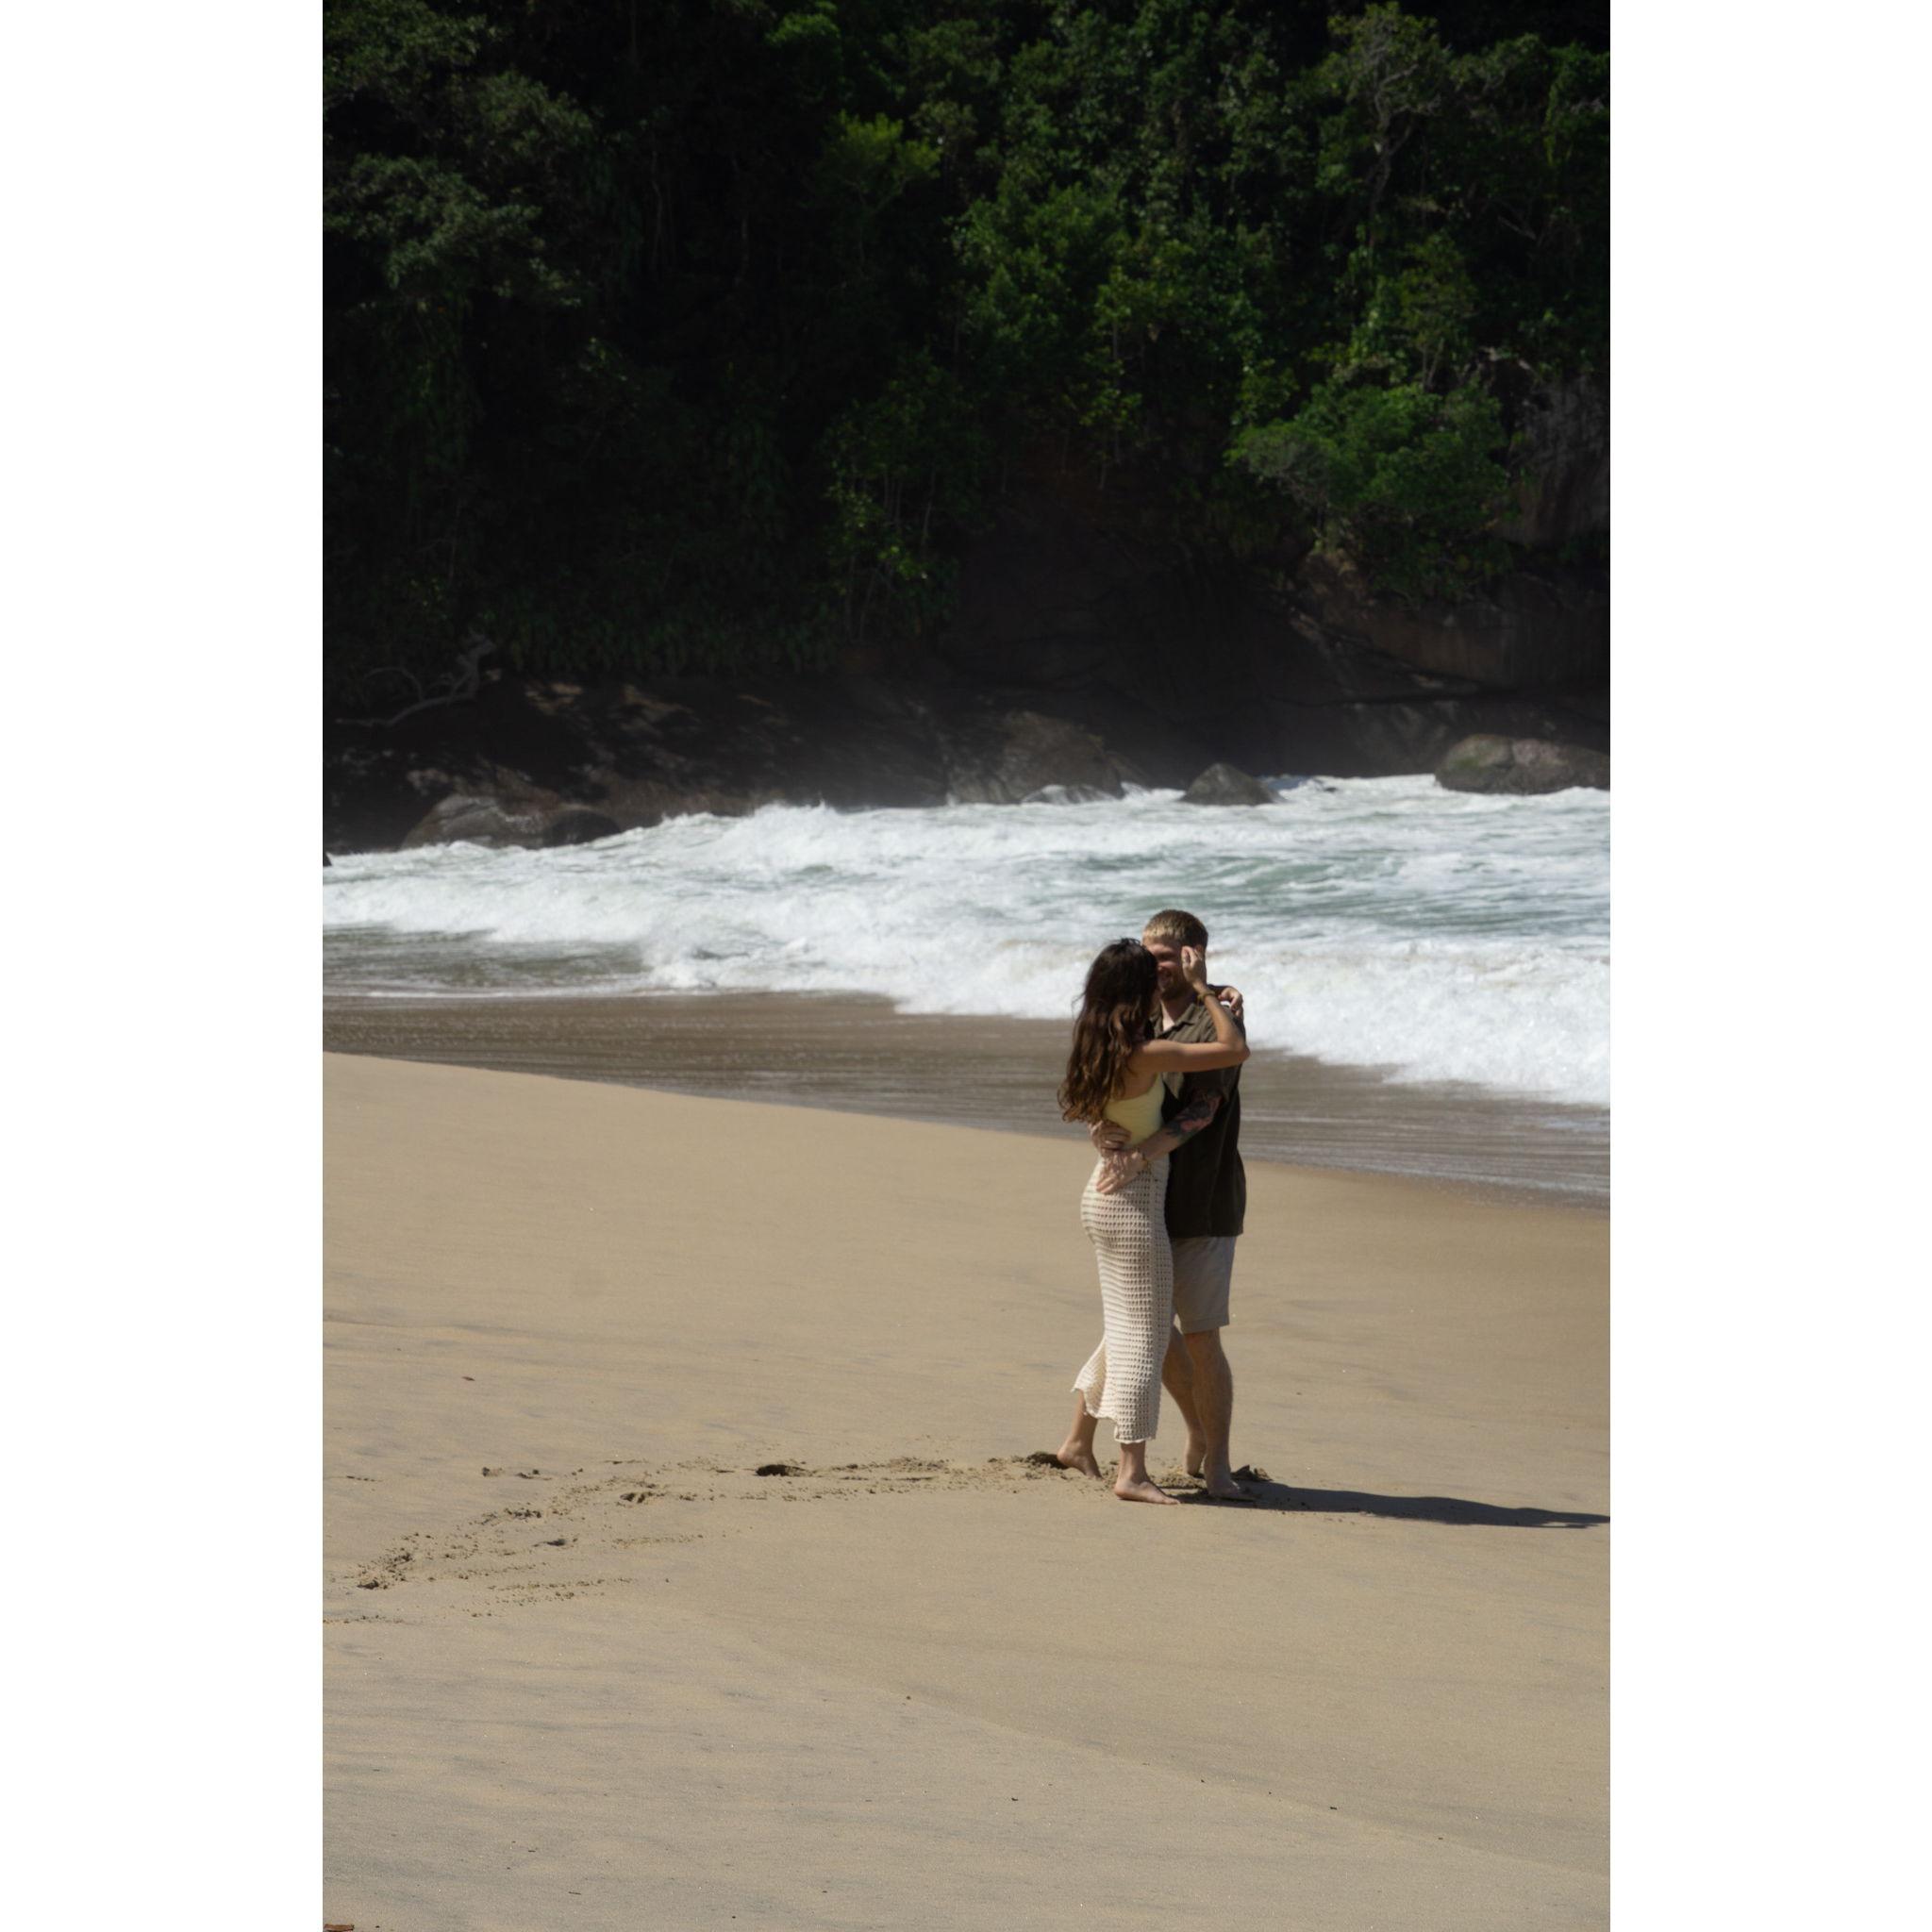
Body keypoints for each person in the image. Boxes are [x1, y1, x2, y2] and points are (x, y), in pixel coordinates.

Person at [1057, 909, 1256, 1501]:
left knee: (1191, 1334)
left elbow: (1205, 1107)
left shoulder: (1210, 1014)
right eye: (1147, 957)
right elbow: (1107, 1093)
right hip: (1139, 1198)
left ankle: (1212, 1462)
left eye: (1164, 956)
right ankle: (1136, 1463)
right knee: (1142, 1333)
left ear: (1193, 955)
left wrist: (1209, 991)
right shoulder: (1138, 1024)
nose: (1154, 966)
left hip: (1200, 1198)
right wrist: (1104, 1131)